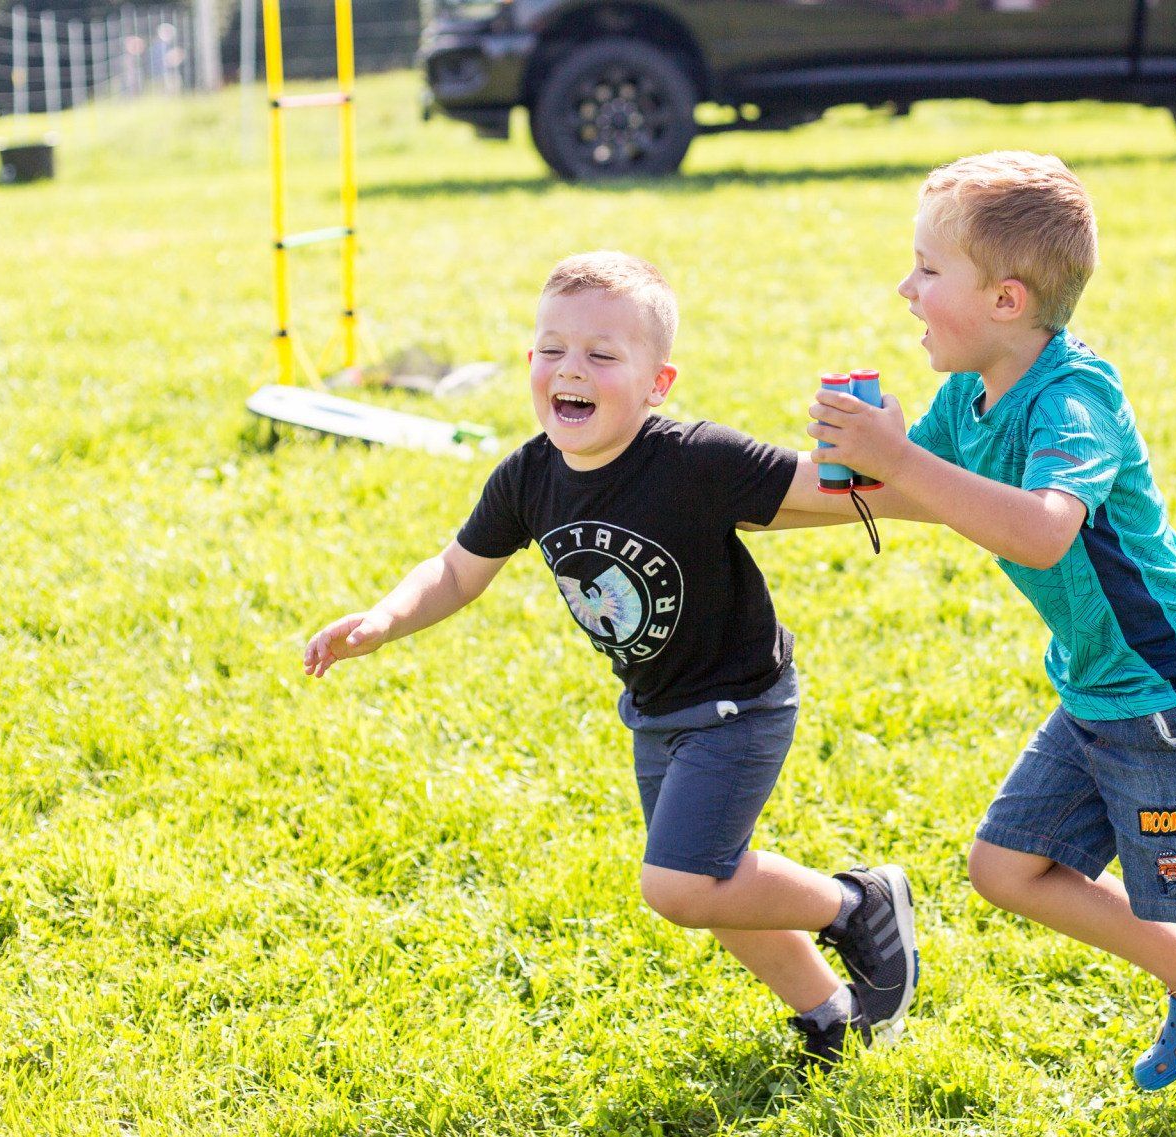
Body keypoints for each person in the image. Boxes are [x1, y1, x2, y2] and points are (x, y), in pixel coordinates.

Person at [807, 152, 1176, 1134]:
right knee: (1006, 865)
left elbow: (1042, 527)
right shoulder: (971, 401)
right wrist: (709, 488)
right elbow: (896, 495)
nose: (906, 289)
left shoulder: (1072, 399)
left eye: (928, 270)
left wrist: (892, 459)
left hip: (1175, 700)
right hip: (1102, 690)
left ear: (1007, 298)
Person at [304, 251, 921, 1067]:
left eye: (602, 355)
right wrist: (384, 619)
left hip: (740, 700)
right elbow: (457, 570)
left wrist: (895, 461)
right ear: (531, 364)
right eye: (552, 350)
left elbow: (831, 491)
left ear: (657, 383)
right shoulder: (530, 475)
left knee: (681, 882)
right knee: (712, 886)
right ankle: (830, 1013)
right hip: (659, 710)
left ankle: (857, 901)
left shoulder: (695, 458)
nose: (571, 369)